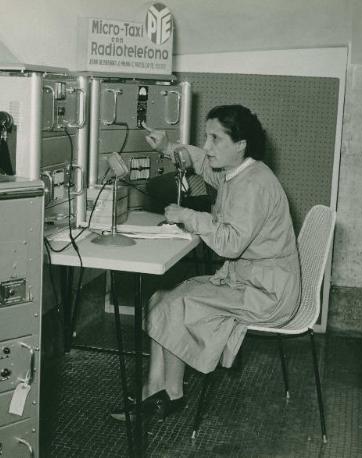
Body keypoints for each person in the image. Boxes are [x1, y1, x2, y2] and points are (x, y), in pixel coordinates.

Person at [112, 104, 301, 421]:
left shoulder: (253, 185)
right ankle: (156, 388)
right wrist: (168, 147)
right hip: (248, 281)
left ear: (239, 145)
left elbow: (229, 243)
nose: (208, 146)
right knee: (160, 298)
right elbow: (202, 162)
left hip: (266, 293)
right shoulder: (240, 171)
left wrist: (188, 216)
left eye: (215, 139)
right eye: (207, 137)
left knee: (174, 304)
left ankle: (169, 394)